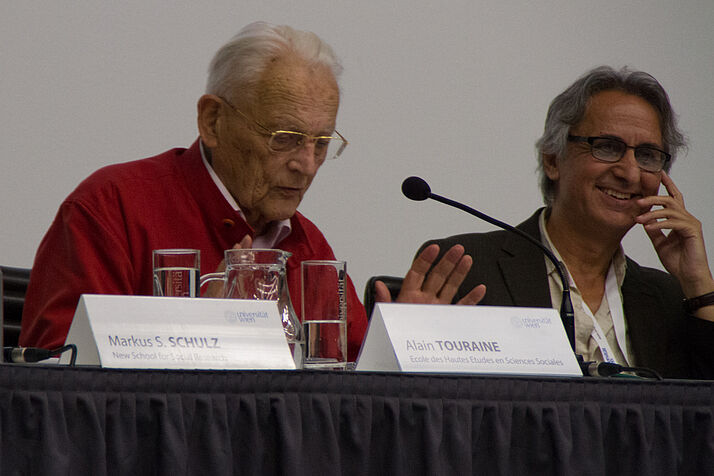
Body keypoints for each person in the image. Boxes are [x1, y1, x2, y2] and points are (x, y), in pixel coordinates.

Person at [382, 66, 714, 379]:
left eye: (647, 155)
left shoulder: (668, 299)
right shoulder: (466, 268)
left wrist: (699, 286)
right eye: (608, 147)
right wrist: (408, 346)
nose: (629, 173)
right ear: (553, 160)